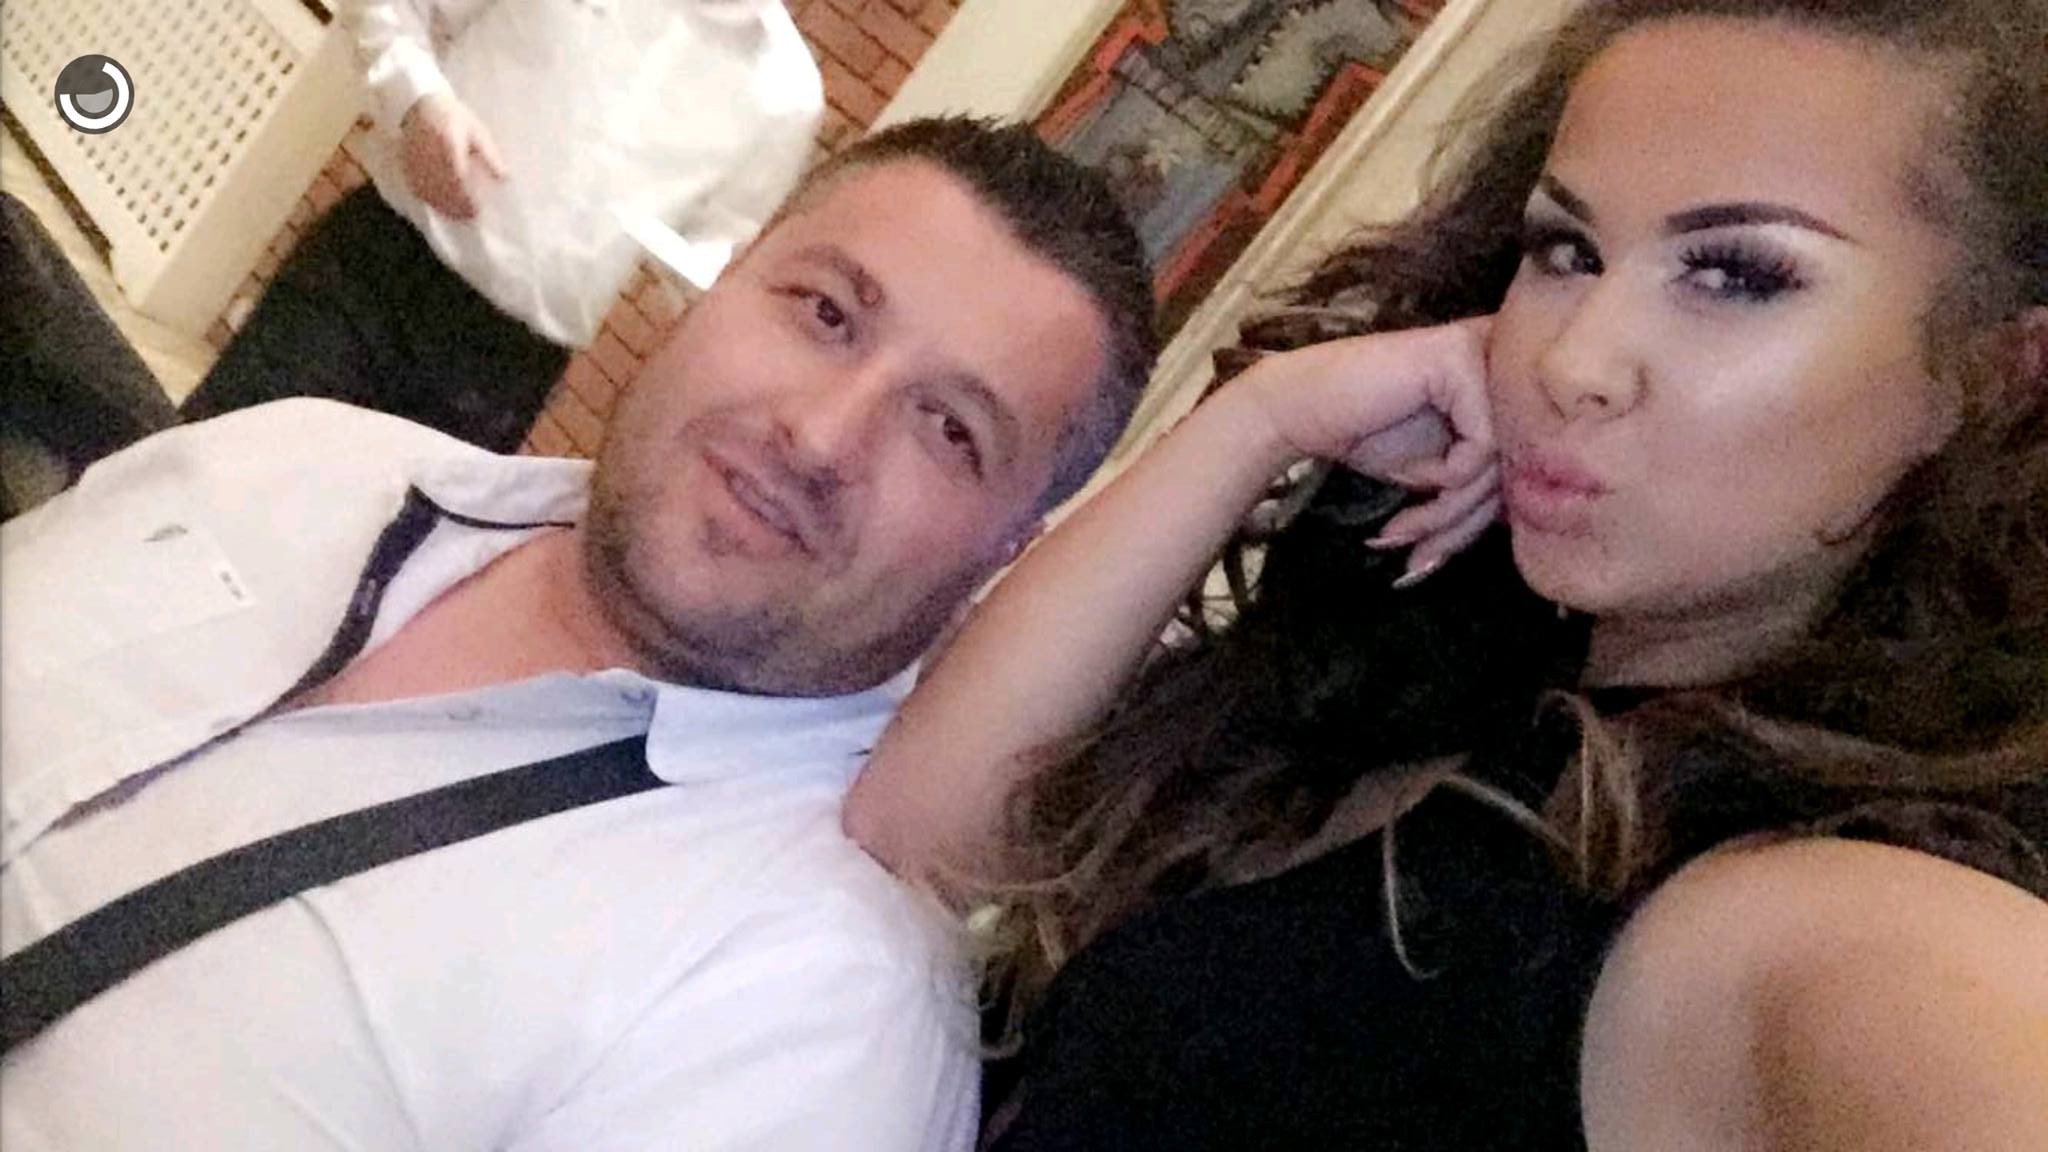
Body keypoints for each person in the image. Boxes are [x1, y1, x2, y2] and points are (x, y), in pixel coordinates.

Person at [845, 2, 2048, 1147]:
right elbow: (915, 842)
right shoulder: (1441, 690)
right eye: (1566, 250)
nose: (1571, 362)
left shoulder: (1826, 918)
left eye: (1733, 275)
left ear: (1992, 377)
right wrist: (1263, 420)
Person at [0, 117, 1157, 1151]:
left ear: (1008, 546)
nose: (818, 437)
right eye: (824, 313)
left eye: (948, 430)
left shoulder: (803, 1023)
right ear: (720, 280)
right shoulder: (297, 459)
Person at [177, 0, 825, 451]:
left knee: (353, 574)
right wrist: (420, 102)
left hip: (504, 369)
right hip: (380, 272)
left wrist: (703, 286)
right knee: (201, 474)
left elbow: (720, 250)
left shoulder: (786, 96)